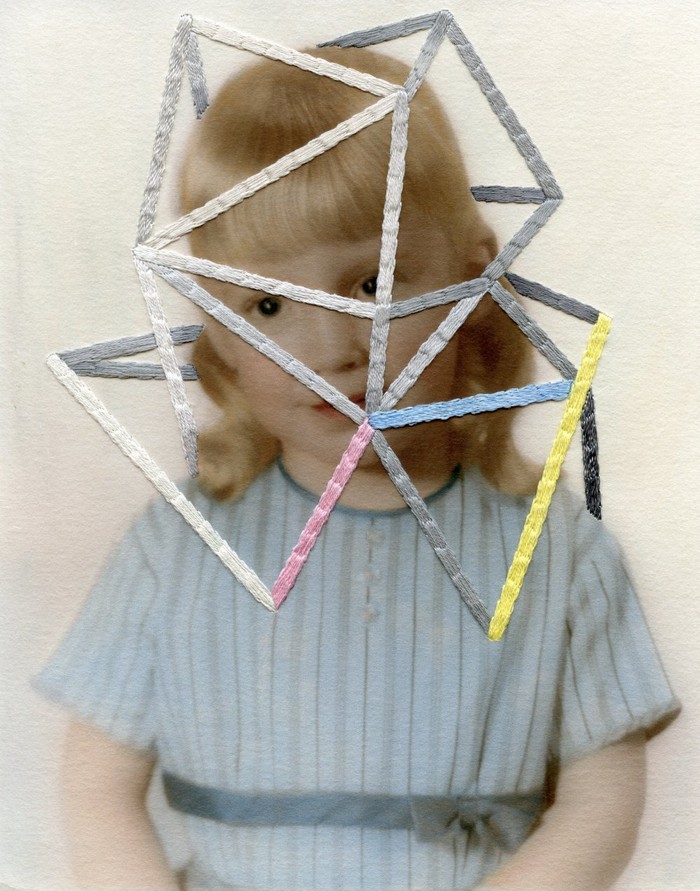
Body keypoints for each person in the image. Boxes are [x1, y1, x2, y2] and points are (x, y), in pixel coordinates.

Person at [36, 46, 679, 891]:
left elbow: (603, 799)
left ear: (470, 277)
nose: (331, 349)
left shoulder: (557, 551)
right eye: (269, 305)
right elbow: (96, 784)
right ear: (217, 324)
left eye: (373, 283)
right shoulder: (177, 545)